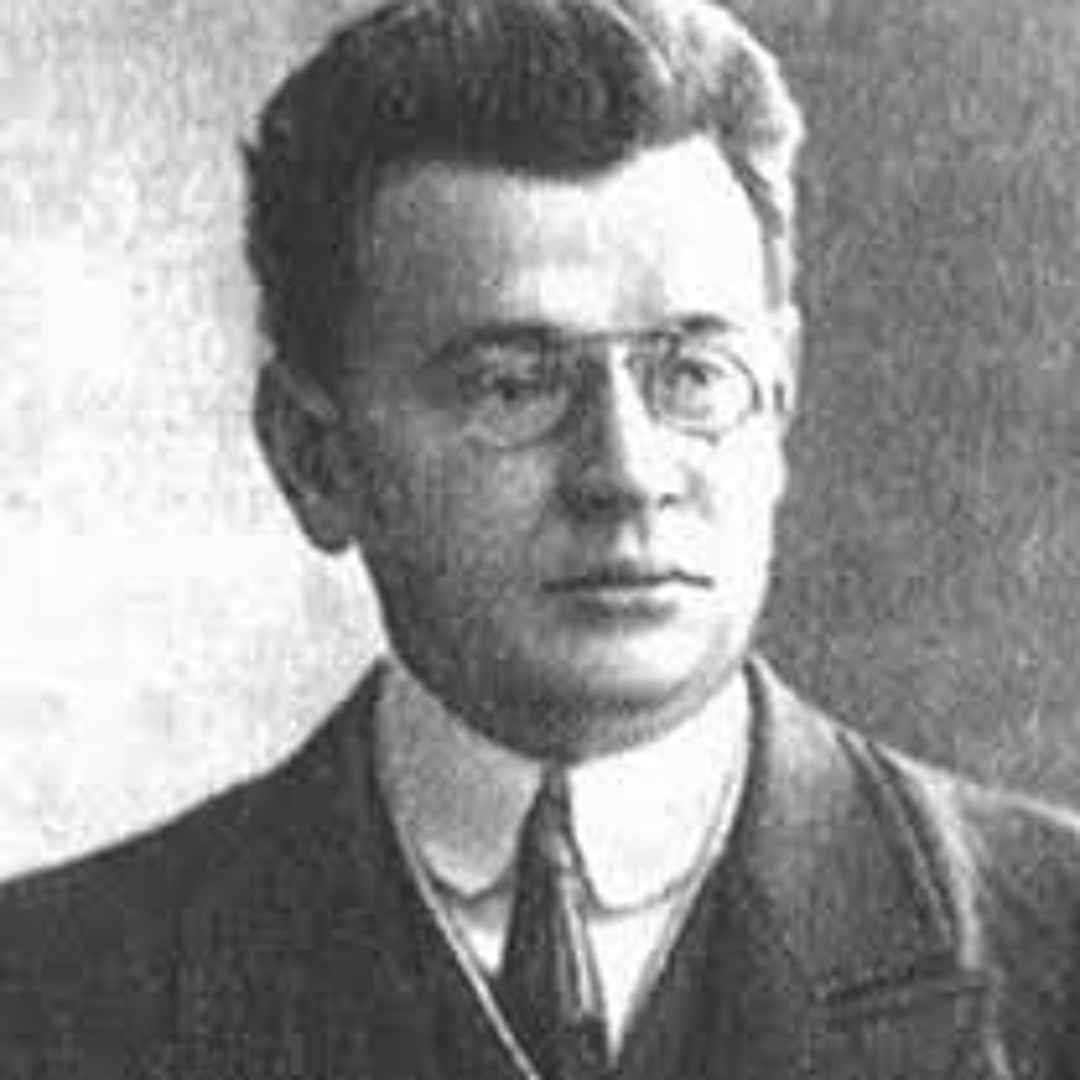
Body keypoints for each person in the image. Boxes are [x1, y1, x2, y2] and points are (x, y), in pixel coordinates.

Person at [2, 0, 1079, 1076]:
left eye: (693, 375)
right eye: (511, 386)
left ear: (780, 403)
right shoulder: (50, 991)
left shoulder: (1055, 950)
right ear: (313, 457)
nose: (626, 474)